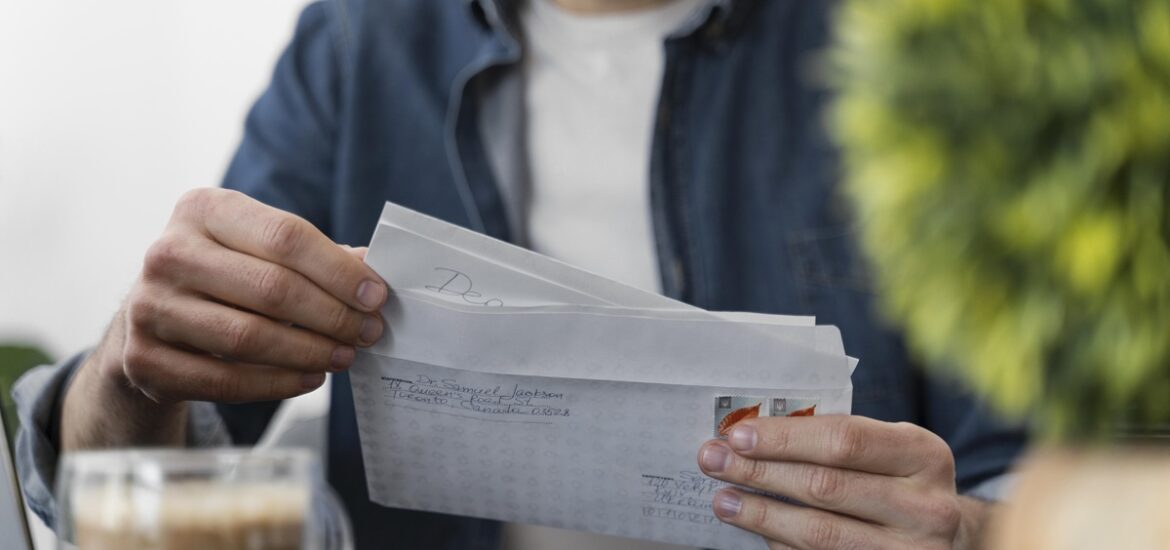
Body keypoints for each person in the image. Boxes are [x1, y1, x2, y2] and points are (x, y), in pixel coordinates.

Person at [13, 0, 1027, 548]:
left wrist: (971, 537)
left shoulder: (915, 53)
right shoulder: (360, 43)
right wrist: (126, 370)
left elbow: (1053, 479)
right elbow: (142, 470)